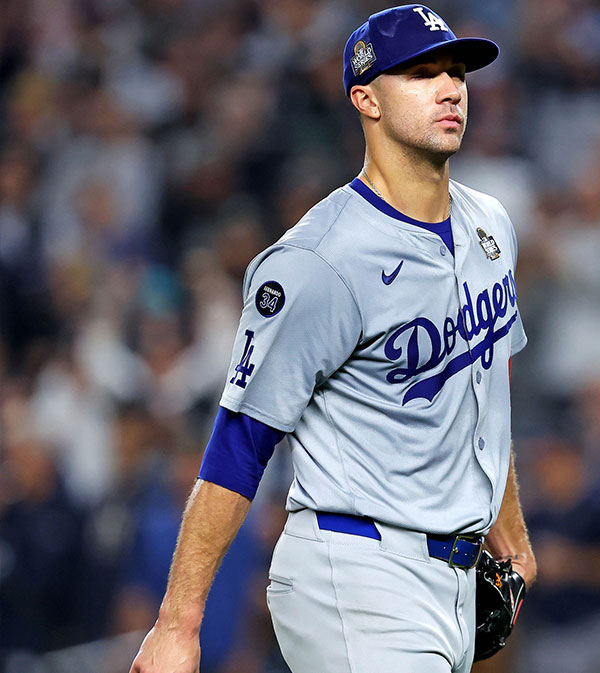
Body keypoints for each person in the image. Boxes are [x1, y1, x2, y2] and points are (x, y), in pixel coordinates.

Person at [129, 5, 536, 672]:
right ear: (365, 99)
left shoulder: (491, 223)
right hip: (355, 569)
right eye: (421, 73)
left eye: (456, 72)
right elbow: (240, 442)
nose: (449, 88)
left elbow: (487, 388)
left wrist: (510, 536)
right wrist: (179, 622)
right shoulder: (319, 261)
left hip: (452, 577)